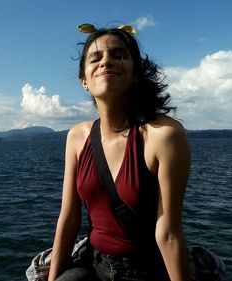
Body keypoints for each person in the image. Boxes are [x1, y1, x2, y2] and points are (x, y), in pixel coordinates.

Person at [47, 23, 191, 281]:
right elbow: (69, 219)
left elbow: (168, 232)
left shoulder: (163, 136)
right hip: (94, 263)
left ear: (136, 74)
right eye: (96, 57)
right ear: (84, 81)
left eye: (117, 55)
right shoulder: (77, 137)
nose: (106, 62)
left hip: (145, 270)